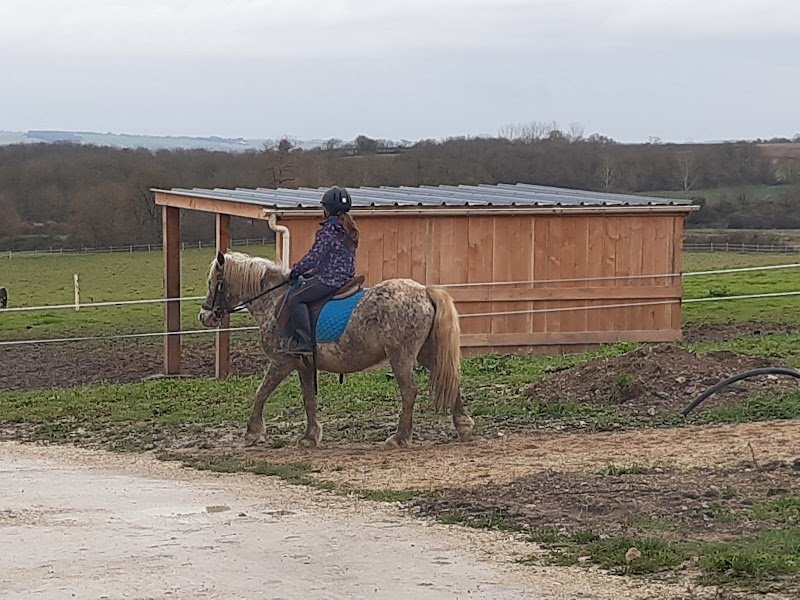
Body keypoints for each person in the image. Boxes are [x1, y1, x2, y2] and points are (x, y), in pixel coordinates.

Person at [280, 186, 359, 355]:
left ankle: (305, 343)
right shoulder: (348, 229)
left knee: (295, 298)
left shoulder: (328, 231)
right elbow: (333, 259)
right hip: (347, 279)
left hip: (330, 280)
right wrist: (312, 273)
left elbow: (314, 257)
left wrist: (295, 271)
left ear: (327, 210)